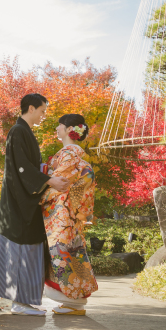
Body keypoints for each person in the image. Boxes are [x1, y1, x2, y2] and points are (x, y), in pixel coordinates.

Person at [0, 93, 69, 316]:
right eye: (42, 111)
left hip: (27, 199)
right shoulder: (18, 131)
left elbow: (30, 167)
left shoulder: (25, 131)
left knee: (29, 248)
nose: (44, 115)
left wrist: (47, 175)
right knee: (20, 248)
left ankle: (26, 302)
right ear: (31, 108)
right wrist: (49, 180)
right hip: (19, 202)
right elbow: (22, 167)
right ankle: (19, 304)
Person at [40, 113, 99, 315]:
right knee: (73, 254)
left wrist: (37, 195)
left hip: (61, 214)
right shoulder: (77, 157)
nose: (57, 128)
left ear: (68, 129)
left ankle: (73, 302)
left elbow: (58, 184)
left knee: (62, 254)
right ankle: (74, 303)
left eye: (59, 125)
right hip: (70, 213)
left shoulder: (68, 155)